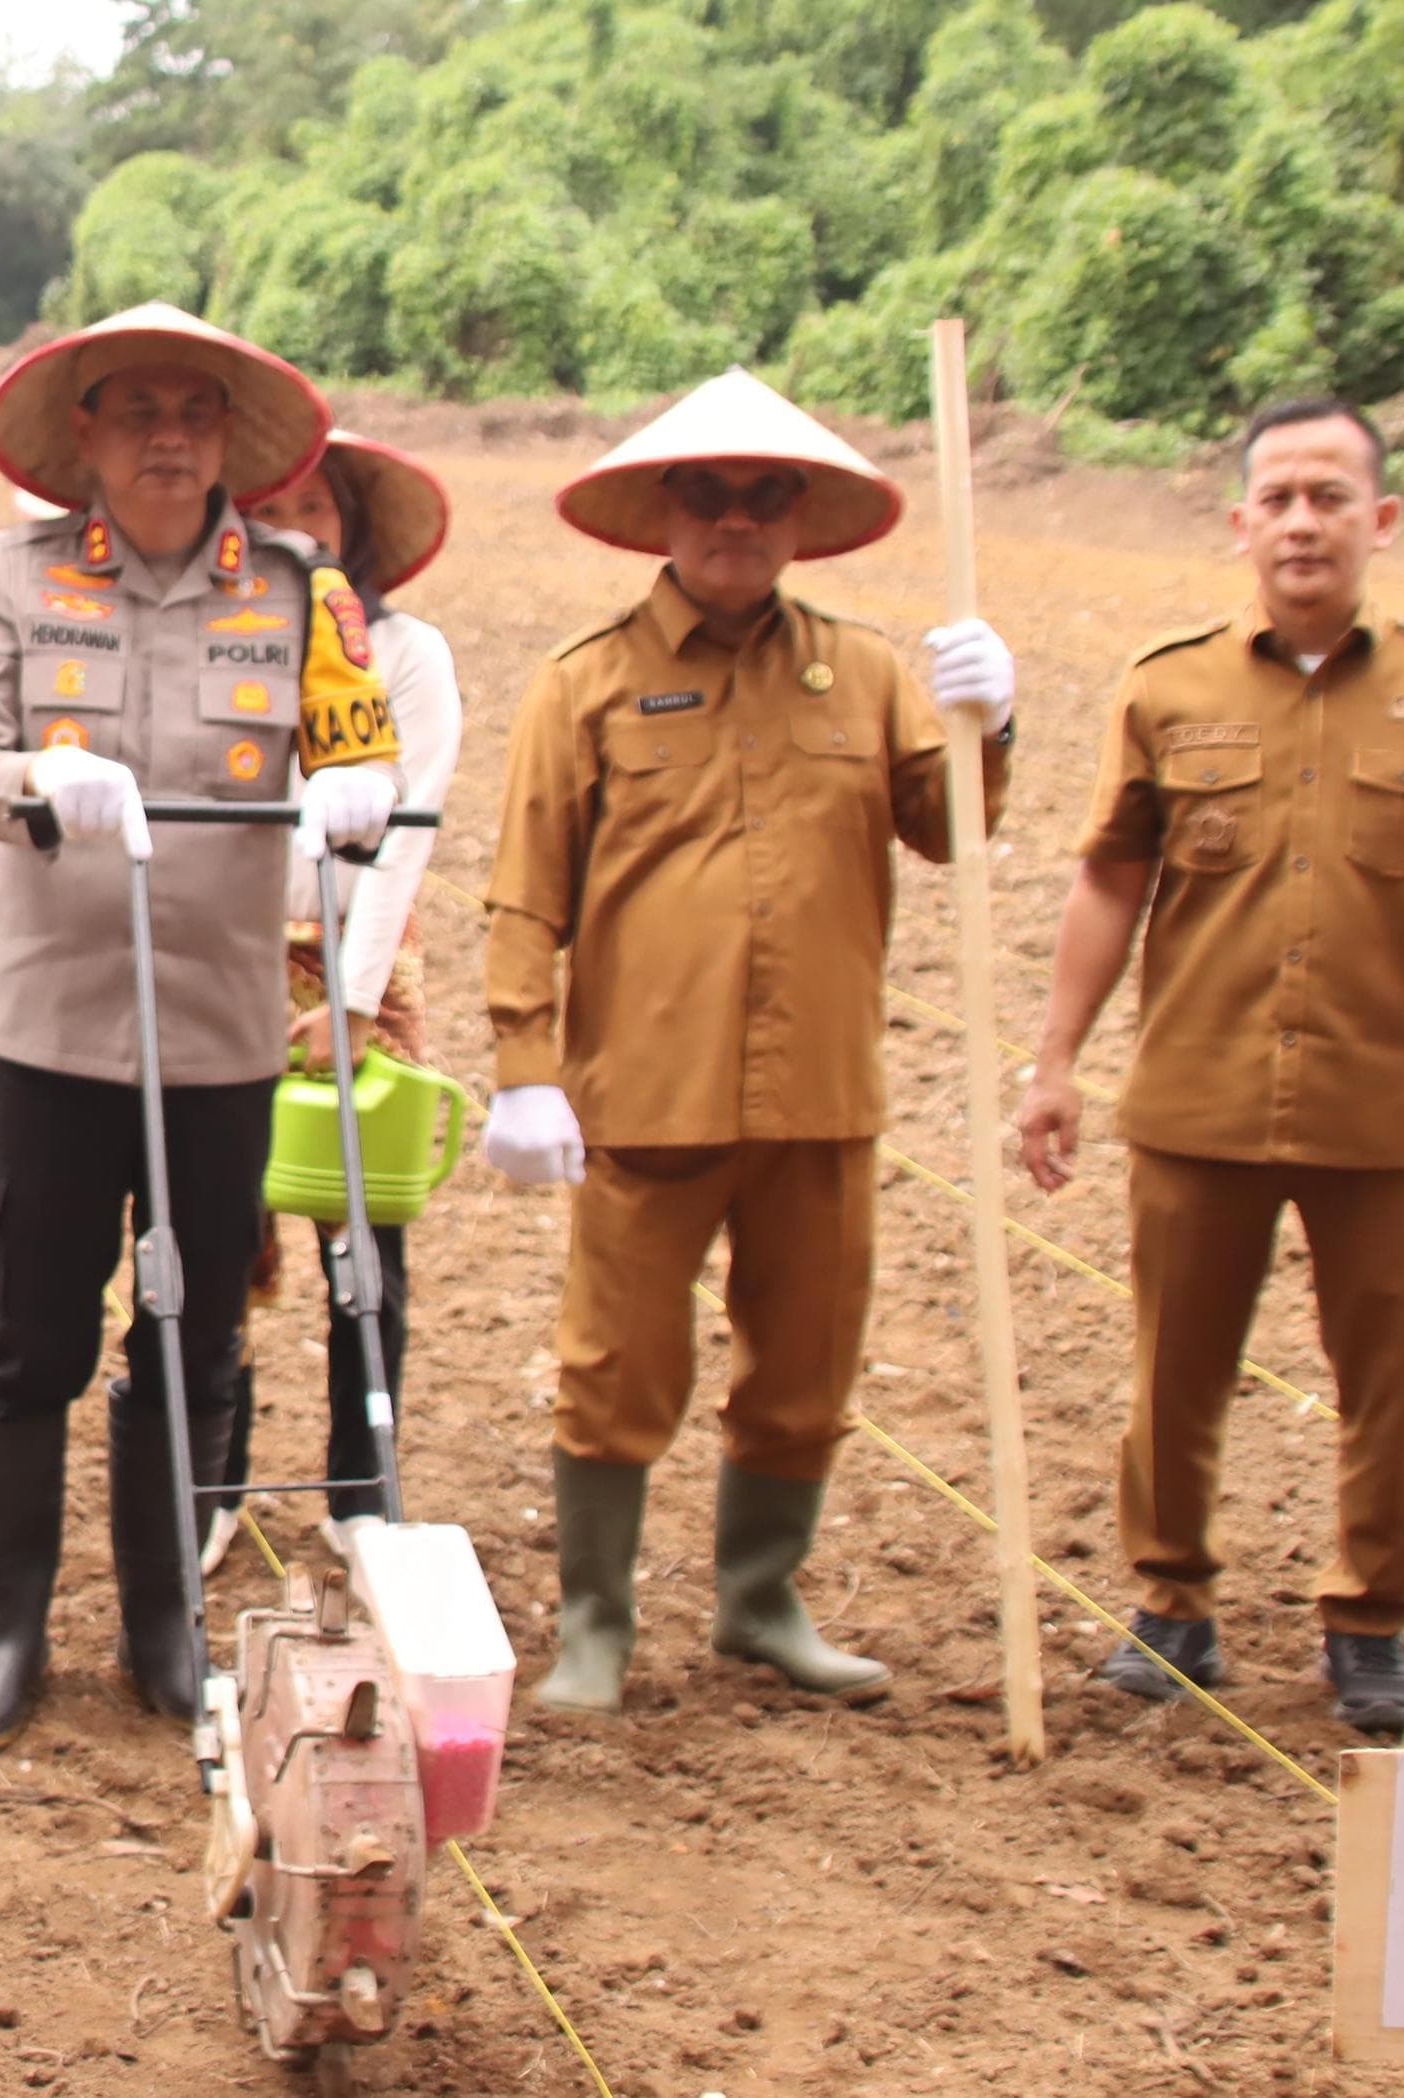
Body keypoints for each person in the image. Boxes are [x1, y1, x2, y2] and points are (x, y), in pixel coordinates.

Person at [1013, 397, 1404, 1735]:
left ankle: (1371, 1624)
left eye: (1331, 497)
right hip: (1199, 1100)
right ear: (1240, 523)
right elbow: (1113, 879)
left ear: (1380, 521)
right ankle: (1170, 1604)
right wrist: (1053, 1059)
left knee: (1387, 1381)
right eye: (1278, 497)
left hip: (1386, 1108)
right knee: (1175, 1370)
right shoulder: (1170, 687)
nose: (1302, 521)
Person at [479, 367, 1019, 1715]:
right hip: (645, 1098)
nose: (736, 518)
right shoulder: (587, 685)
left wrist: (988, 723)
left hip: (821, 1093)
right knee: (616, 1369)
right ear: (668, 510)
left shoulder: (871, 673)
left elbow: (952, 830)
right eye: (710, 494)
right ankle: (596, 1621)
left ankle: (761, 1598)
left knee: (806, 1365)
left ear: (798, 517)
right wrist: (526, 1070)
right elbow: (525, 892)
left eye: (765, 495)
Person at [0, 303, 404, 1753]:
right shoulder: (11, 576)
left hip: (217, 1035)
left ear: (228, 440)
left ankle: (160, 1625)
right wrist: (36, 780)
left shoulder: (299, 588)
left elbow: (355, 739)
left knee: (189, 1339)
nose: (166, 437)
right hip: (49, 1031)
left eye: (192, 413)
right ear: (86, 433)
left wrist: (356, 792)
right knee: (33, 1340)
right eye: (134, 411)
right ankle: (10, 1630)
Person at [195, 431, 463, 1575]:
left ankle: (362, 1485)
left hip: (359, 953)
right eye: (273, 509)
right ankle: (215, 1476)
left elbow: (405, 838)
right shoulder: (223, 646)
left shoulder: (409, 656)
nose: (299, 528)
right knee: (215, 1232)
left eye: (318, 505)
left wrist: (350, 1001)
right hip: (226, 956)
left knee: (362, 1228)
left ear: (351, 527)